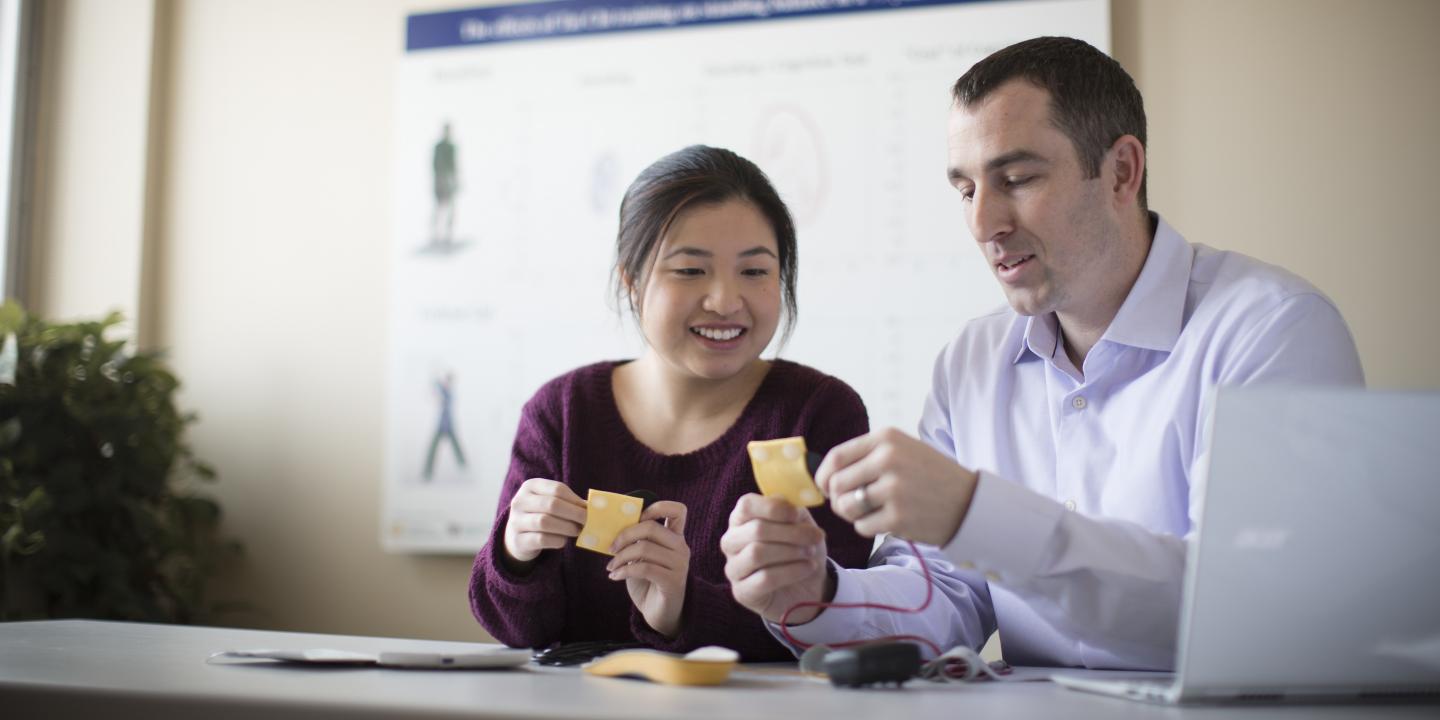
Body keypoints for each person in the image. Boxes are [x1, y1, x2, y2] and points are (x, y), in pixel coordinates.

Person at [720, 36, 1364, 670]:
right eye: (966, 190)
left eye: (1018, 178)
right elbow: (940, 597)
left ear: (1121, 171)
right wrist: (818, 593)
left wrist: (979, 515)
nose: (983, 225)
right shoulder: (969, 362)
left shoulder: (1272, 332)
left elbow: (1254, 610)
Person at [468, 145, 872, 661]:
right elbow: (519, 632)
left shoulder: (819, 414)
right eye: (689, 271)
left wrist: (682, 608)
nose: (725, 301)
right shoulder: (562, 414)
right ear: (631, 282)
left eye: (754, 272)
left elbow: (837, 622)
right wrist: (515, 553)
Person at [432, 123, 458, 245]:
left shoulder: (452, 147)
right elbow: (435, 164)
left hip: (449, 180)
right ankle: (436, 233)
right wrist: (440, 179)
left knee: (450, 208)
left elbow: (455, 165)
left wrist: (455, 180)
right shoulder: (439, 147)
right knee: (439, 207)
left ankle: (448, 234)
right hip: (440, 180)